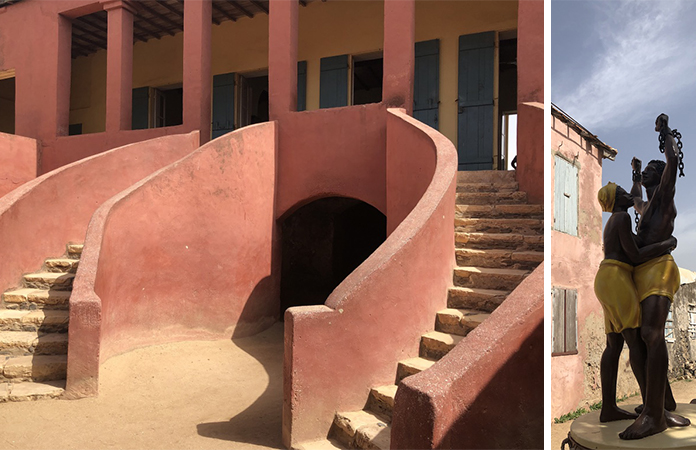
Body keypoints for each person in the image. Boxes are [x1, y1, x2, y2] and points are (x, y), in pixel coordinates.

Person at [620, 114, 690, 439]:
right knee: (641, 337)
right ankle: (663, 401)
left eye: (650, 169)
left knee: (651, 333)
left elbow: (673, 162)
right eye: (644, 170)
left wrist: (665, 133)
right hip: (642, 270)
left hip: (660, 269)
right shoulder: (645, 206)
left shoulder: (663, 199)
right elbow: (635, 194)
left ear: (660, 178)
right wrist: (634, 172)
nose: (647, 171)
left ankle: (653, 416)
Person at [595, 182, 677, 423]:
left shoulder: (613, 222)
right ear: (617, 199)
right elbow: (636, 255)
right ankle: (655, 411)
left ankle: (608, 408)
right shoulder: (622, 219)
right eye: (622, 191)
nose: (628, 194)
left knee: (613, 345)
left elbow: (636, 244)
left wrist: (637, 179)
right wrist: (667, 244)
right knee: (637, 344)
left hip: (605, 278)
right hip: (618, 278)